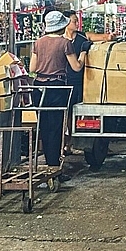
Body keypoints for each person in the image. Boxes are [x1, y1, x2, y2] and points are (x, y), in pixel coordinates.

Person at [30, 11, 87, 174]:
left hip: (39, 89)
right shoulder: (65, 43)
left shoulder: (38, 42)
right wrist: (83, 53)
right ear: (62, 26)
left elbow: (32, 69)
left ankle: (50, 164)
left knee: (45, 128)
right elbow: (76, 67)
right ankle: (54, 168)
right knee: (56, 128)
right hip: (57, 88)